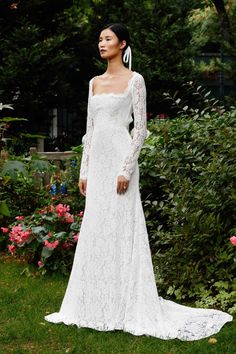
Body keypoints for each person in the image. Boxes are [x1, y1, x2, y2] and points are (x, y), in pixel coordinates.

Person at [44, 23, 233, 340]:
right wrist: (84, 171)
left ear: (122, 44)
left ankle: (127, 303)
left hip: (120, 162)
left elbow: (140, 129)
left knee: (122, 226)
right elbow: (90, 130)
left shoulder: (135, 81)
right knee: (97, 228)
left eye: (107, 39)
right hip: (99, 165)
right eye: (100, 39)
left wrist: (126, 169)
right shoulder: (93, 83)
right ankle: (94, 303)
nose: (101, 43)